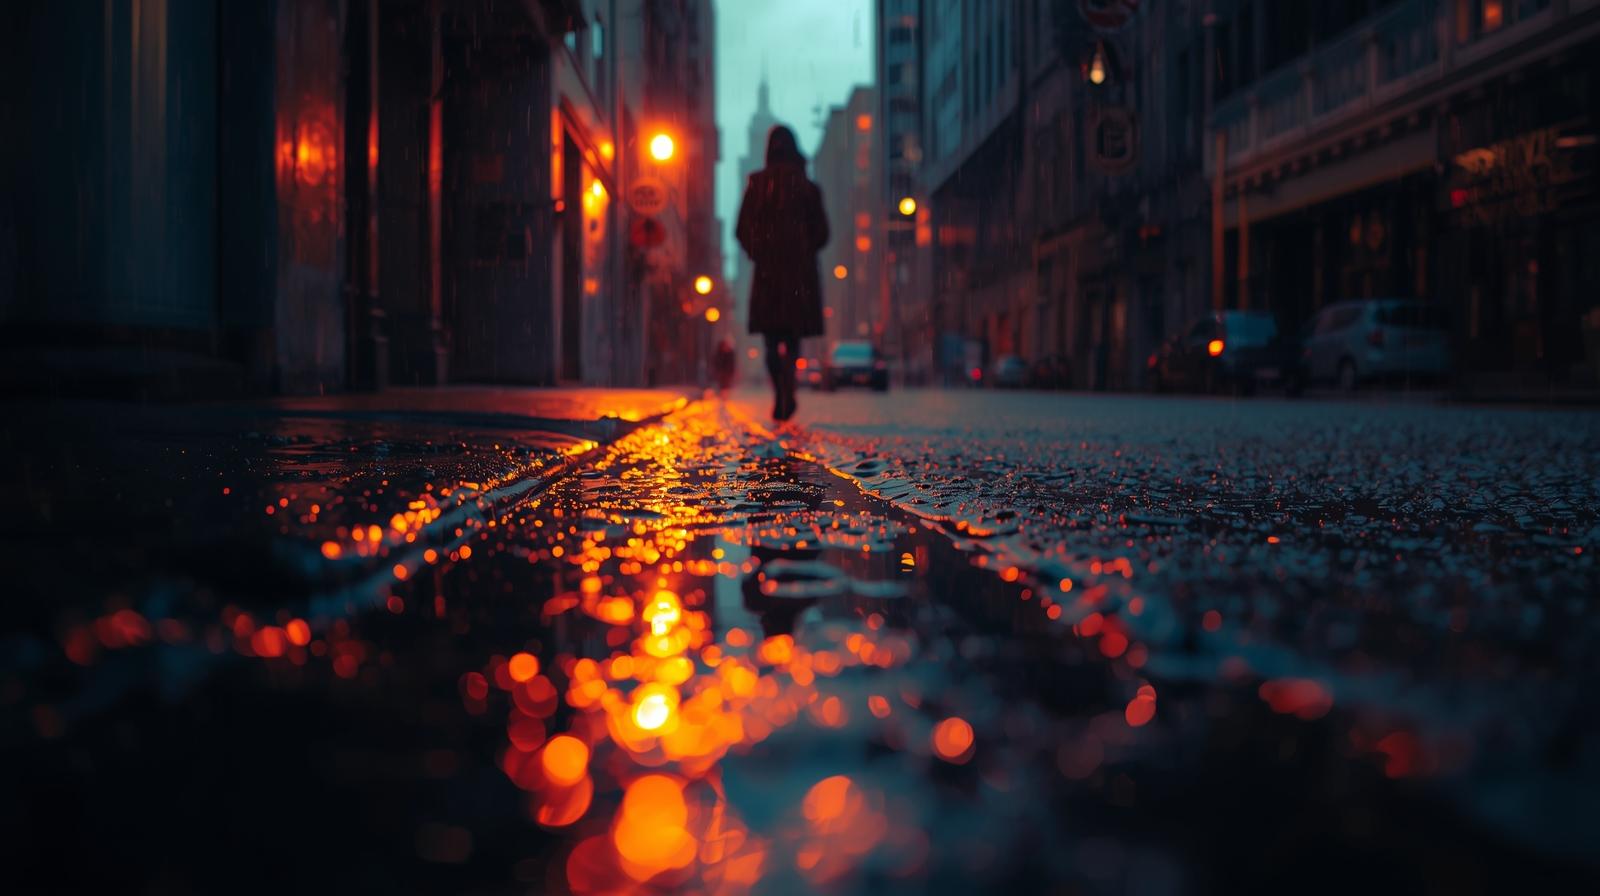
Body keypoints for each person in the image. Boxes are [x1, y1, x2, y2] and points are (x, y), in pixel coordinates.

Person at [735, 125, 829, 421]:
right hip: (799, 277)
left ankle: (781, 390)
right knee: (793, 335)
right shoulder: (808, 188)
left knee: (772, 339)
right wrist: (803, 250)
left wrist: (760, 252)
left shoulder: (758, 184)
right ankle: (788, 387)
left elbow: (741, 229)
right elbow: (823, 233)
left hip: (769, 276)